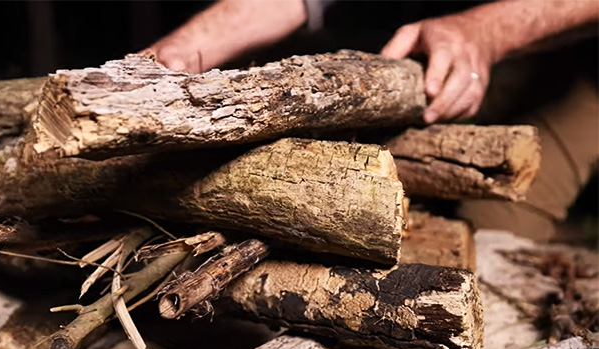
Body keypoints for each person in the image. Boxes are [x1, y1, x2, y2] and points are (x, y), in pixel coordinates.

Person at [143, 0, 599, 242]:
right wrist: (180, 50)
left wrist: (486, 31)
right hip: (427, 46)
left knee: (497, 239)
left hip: (570, 68)